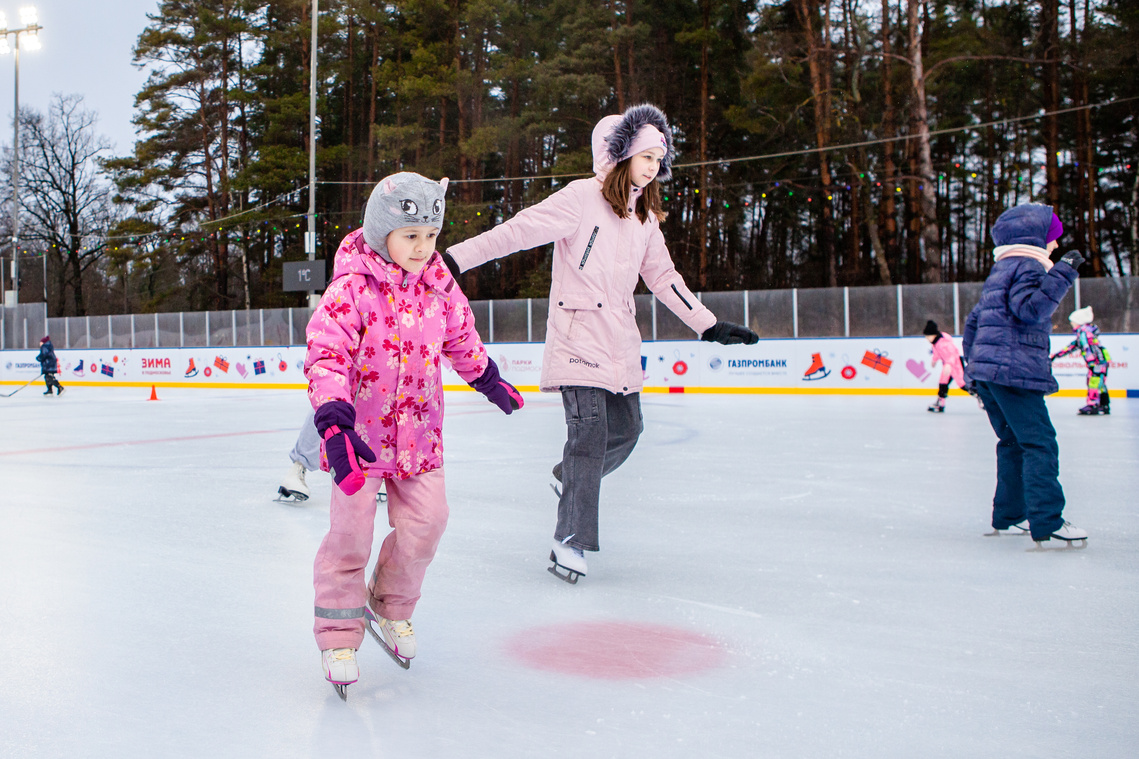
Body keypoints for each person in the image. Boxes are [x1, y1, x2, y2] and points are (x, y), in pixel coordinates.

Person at [442, 104, 758, 584]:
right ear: (621, 154)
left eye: (659, 158)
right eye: (646, 155)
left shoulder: (644, 218)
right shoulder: (581, 198)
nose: (653, 166)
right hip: (576, 338)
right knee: (587, 440)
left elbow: (664, 277)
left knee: (628, 430)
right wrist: (457, 259)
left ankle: (567, 476)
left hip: (620, 342)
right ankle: (571, 541)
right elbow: (519, 230)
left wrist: (708, 325)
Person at [304, 172, 524, 699]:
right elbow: (326, 355)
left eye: (430, 235)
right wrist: (335, 422)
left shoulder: (439, 281)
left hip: (421, 435)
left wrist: (487, 378)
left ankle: (390, 606)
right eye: (411, 236)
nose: (423, 248)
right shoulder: (350, 288)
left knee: (428, 524)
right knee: (349, 537)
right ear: (382, 234)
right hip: (359, 441)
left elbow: (460, 336)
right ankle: (338, 632)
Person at [963, 203, 1087, 547]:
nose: (1056, 247)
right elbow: (1031, 308)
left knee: (1013, 443)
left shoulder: (1001, 270)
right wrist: (1063, 272)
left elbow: (973, 322)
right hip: (1013, 371)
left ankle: (1009, 515)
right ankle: (1048, 521)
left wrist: (973, 372)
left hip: (990, 372)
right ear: (1035, 239)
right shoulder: (1031, 267)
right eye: (1053, 239)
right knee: (1039, 443)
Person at [1050, 305, 1111, 416]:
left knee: (1093, 381)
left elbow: (1089, 348)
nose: (1071, 324)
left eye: (1073, 322)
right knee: (1100, 383)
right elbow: (1072, 346)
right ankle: (1104, 404)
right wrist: (1056, 355)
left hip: (1097, 362)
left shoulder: (1084, 333)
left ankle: (1093, 405)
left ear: (1078, 321)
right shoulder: (1086, 332)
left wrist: (1093, 362)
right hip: (1102, 361)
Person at [922, 320, 966, 413]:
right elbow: (937, 353)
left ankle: (982, 397)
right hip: (947, 365)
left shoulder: (943, 342)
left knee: (963, 384)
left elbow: (952, 354)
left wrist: (949, 365)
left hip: (955, 364)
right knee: (943, 383)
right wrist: (934, 360)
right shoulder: (936, 343)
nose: (927, 339)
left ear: (933, 335)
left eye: (927, 336)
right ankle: (940, 403)